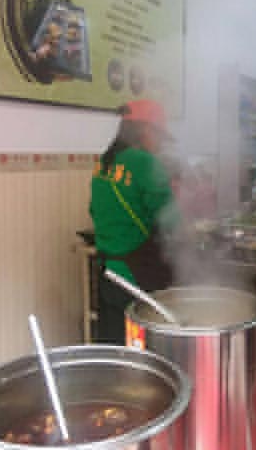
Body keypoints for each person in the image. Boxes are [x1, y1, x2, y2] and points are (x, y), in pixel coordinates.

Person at [89, 99, 179, 344]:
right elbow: (171, 218)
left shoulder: (104, 162)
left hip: (108, 274)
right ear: (147, 130)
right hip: (137, 276)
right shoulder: (145, 162)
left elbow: (94, 210)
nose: (160, 145)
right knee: (142, 347)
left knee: (114, 345)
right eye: (160, 137)